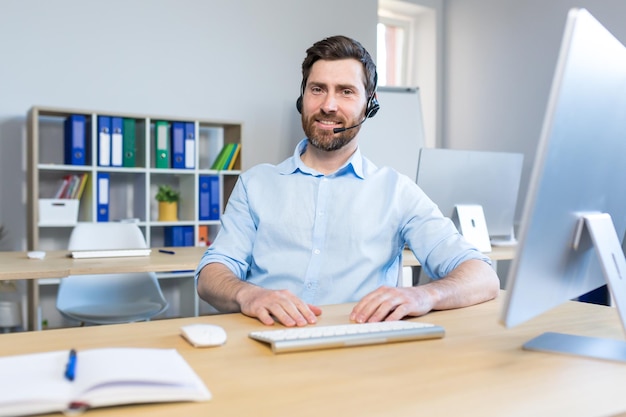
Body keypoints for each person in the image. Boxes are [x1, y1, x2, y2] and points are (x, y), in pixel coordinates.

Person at [196, 35, 500, 327]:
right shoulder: (255, 184)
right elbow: (211, 274)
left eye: (346, 91)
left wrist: (425, 295)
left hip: (358, 351)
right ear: (302, 98)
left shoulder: (396, 191)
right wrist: (248, 294)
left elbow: (482, 276)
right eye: (317, 89)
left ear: (370, 104)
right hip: (266, 339)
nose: (329, 105)